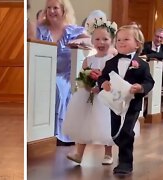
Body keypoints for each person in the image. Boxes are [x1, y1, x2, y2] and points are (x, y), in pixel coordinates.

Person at [98, 25, 155, 176]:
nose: (121, 42)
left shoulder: (142, 65)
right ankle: (122, 143)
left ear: (137, 44)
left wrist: (141, 87)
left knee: (127, 132)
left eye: (126, 39)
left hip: (133, 105)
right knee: (115, 133)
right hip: (115, 103)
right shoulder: (110, 63)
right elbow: (102, 77)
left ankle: (125, 163)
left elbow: (149, 82)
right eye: (119, 40)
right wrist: (103, 83)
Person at [63, 18, 117, 165]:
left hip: (105, 97)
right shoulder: (89, 60)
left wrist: (101, 86)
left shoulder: (112, 60)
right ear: (92, 41)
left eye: (105, 39)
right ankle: (79, 154)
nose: (101, 42)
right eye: (97, 39)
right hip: (89, 95)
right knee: (83, 122)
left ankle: (108, 153)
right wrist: (88, 86)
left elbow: (114, 79)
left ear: (111, 40)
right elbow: (82, 77)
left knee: (107, 124)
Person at [36, 0, 89, 146]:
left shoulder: (72, 30)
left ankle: (59, 133)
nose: (52, 11)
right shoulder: (40, 29)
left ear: (63, 10)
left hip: (65, 74)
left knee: (57, 87)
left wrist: (80, 41)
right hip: (42, 72)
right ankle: (40, 131)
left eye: (55, 8)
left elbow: (91, 40)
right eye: (48, 8)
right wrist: (37, 23)